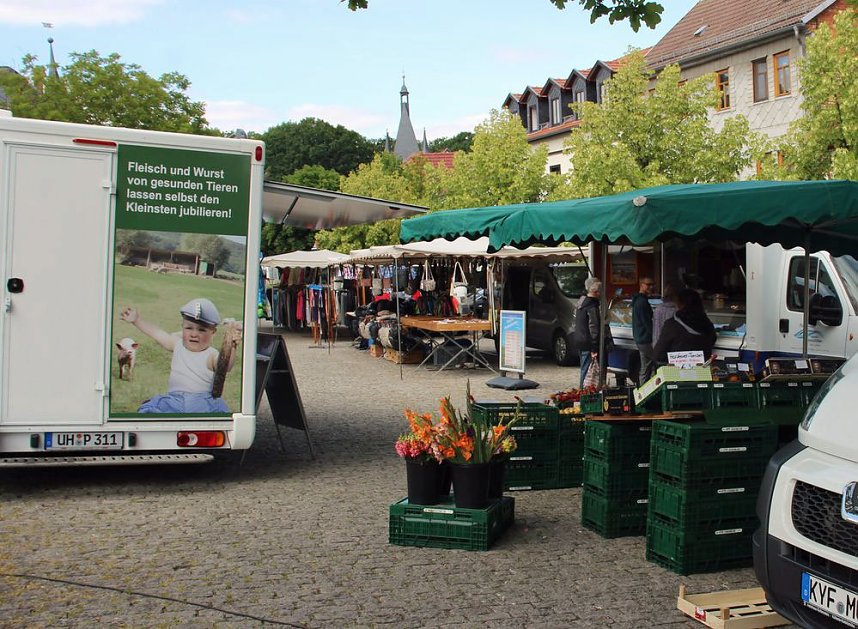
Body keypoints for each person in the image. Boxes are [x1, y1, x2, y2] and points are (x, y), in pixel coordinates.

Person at [120, 298, 240, 414]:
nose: (194, 334)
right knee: (151, 411)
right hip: (174, 400)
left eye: (201, 330)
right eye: (189, 328)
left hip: (200, 402)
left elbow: (225, 366)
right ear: (182, 328)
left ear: (213, 333)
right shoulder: (178, 345)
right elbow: (157, 333)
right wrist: (137, 320)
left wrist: (232, 346)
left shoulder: (211, 354)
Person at [653, 288, 717, 365]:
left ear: (680, 304)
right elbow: (712, 340)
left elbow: (658, 354)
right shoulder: (707, 324)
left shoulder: (672, 325)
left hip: (677, 369)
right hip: (702, 369)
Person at [574, 276, 610, 388]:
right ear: (596, 291)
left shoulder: (581, 302)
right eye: (600, 291)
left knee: (585, 369)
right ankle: (584, 393)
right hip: (588, 342)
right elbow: (593, 328)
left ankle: (583, 391)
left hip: (580, 340)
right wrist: (594, 347)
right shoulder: (592, 306)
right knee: (588, 371)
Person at [631, 277, 655, 384]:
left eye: (652, 284)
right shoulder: (642, 302)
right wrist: (654, 335)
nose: (651, 287)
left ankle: (645, 388)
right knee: (649, 366)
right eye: (648, 284)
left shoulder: (639, 300)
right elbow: (647, 322)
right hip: (645, 339)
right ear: (641, 285)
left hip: (641, 338)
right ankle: (645, 390)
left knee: (647, 366)